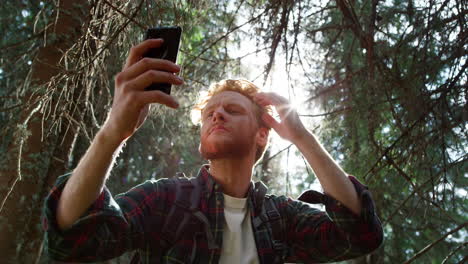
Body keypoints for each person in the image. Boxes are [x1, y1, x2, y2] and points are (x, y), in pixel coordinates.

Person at [42, 39, 383, 263]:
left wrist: (303, 139)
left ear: (262, 135)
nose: (217, 114)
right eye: (209, 114)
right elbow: (72, 241)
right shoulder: (165, 199)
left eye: (233, 111)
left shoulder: (282, 217)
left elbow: (360, 234)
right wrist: (113, 132)